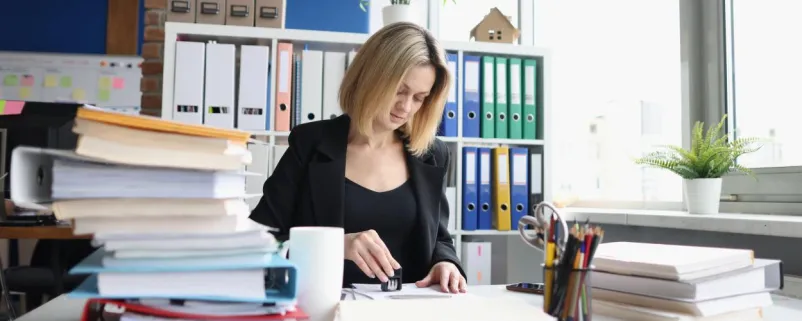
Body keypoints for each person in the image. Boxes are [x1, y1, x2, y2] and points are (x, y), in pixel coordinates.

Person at [249, 22, 467, 293]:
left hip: (409, 311)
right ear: (370, 77)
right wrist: (334, 245)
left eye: (420, 98)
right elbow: (259, 240)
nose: (406, 107)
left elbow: (440, 239)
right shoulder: (310, 144)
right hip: (324, 307)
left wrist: (446, 263)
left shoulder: (432, 154)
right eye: (399, 90)